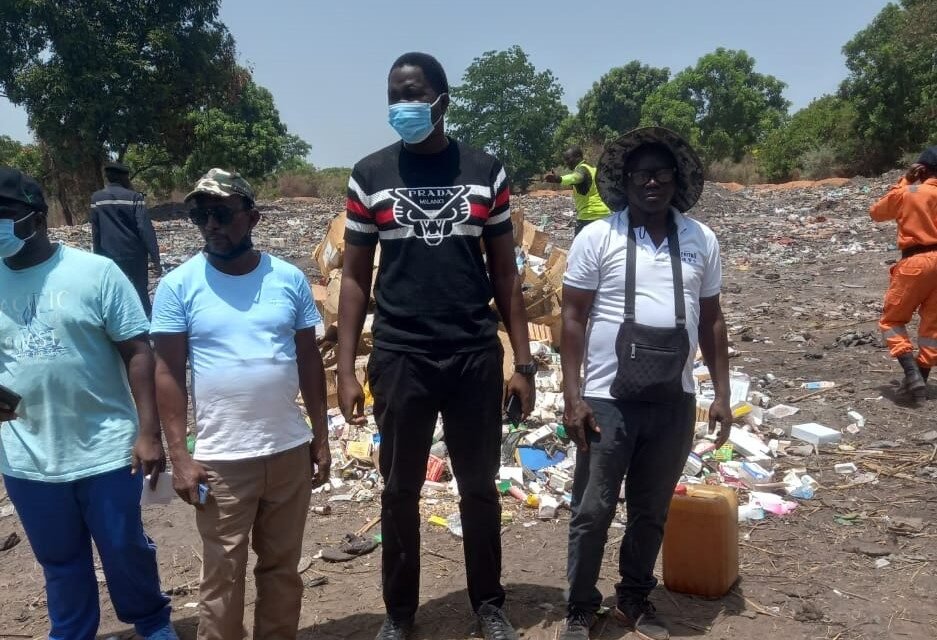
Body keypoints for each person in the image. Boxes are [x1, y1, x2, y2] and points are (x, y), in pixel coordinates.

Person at [338, 52, 536, 640]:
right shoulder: (369, 175)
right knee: (398, 490)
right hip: (401, 355)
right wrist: (347, 368)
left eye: (413, 94)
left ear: (442, 100)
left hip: (473, 353)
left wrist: (522, 362)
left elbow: (506, 274)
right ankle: (399, 614)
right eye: (394, 96)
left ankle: (489, 605)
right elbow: (353, 277)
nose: (402, 106)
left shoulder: (484, 171)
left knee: (479, 488)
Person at [559, 128, 731, 640]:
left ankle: (633, 598)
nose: (651, 182)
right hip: (607, 399)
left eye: (661, 173)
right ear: (623, 181)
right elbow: (571, 317)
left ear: (676, 180)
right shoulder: (597, 237)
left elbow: (712, 319)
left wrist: (721, 394)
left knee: (651, 510)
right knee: (592, 509)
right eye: (641, 174)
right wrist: (573, 396)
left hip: (673, 398)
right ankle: (580, 608)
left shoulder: (701, 239)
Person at [151, 168, 331, 640]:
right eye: (200, 215)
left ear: (251, 217)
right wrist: (180, 457)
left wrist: (321, 437)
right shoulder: (179, 285)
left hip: (289, 451)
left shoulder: (287, 278)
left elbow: (309, 360)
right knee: (222, 577)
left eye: (222, 214)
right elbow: (167, 372)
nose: (211, 225)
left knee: (281, 569)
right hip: (221, 462)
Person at [0, 167, 176, 640]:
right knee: (59, 561)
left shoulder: (95, 273)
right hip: (28, 456)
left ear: (35, 217)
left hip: (105, 448)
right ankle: (72, 632)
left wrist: (148, 432)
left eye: (4, 213)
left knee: (125, 549)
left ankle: (152, 623)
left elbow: (138, 352)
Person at [870, 146, 937, 402]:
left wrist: (905, 180)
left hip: (916, 262)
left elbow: (877, 212)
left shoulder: (909, 192)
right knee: (932, 328)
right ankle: (919, 380)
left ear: (922, 169)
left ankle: (910, 373)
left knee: (892, 320)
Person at [90, 161, 162, 316]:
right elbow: (144, 229)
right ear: (124, 178)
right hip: (134, 254)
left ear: (108, 177)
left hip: (109, 255)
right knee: (140, 290)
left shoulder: (97, 198)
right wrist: (155, 258)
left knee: (114, 293)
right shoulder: (134, 197)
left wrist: (97, 258)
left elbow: (95, 231)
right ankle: (145, 325)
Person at [544, 146, 611, 235]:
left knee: (580, 248)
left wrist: (559, 179)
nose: (566, 163)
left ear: (578, 157)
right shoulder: (593, 169)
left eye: (568, 159)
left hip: (589, 216)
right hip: (606, 216)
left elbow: (577, 177)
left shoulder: (582, 169)